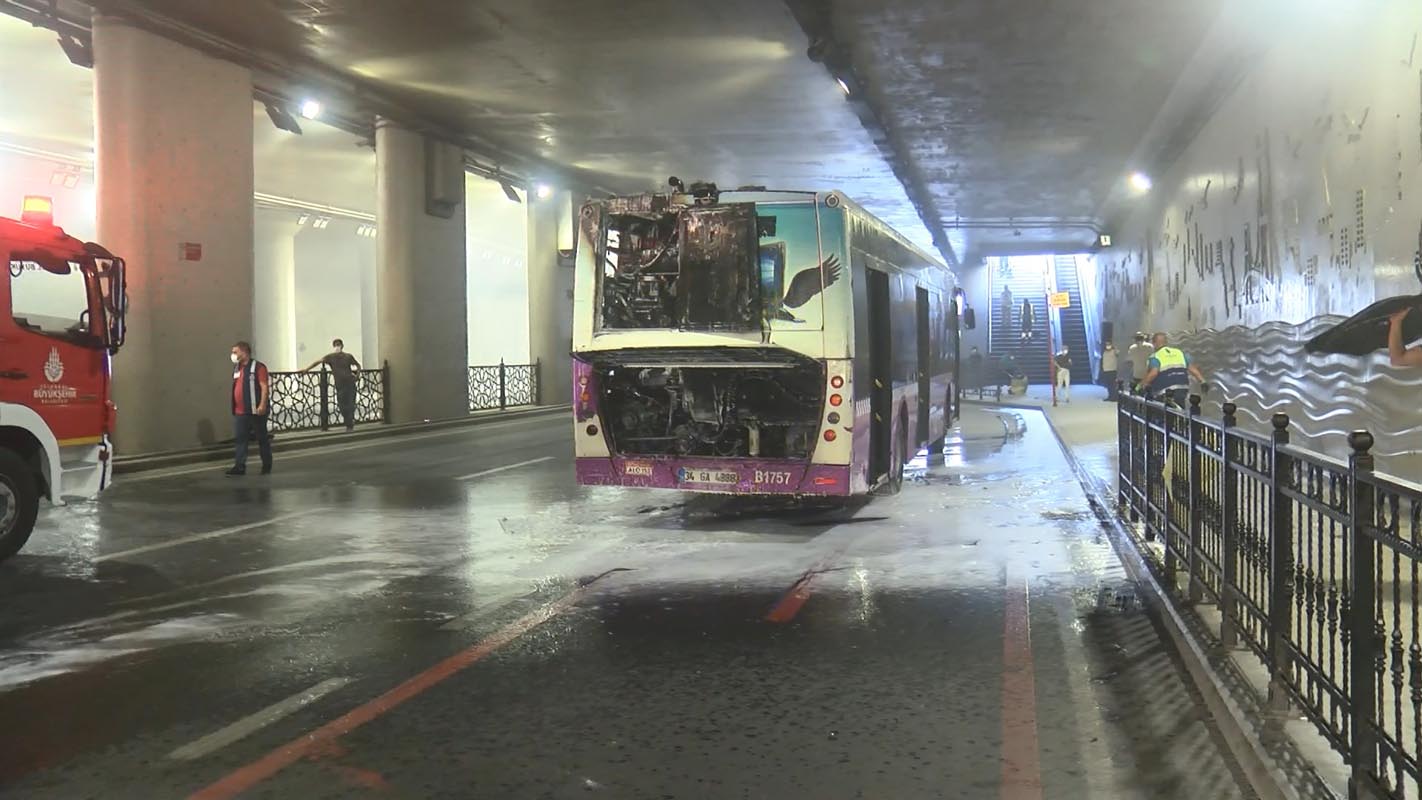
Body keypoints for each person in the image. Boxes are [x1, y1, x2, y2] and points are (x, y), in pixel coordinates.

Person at [229, 340, 272, 476]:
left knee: (261, 438)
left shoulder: (258, 367)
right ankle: (239, 466)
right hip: (240, 412)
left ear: (244, 352)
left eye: (235, 352)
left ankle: (266, 464)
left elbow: (264, 387)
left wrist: (262, 405)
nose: (233, 355)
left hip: (255, 411)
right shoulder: (237, 368)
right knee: (241, 439)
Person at [303, 338, 362, 431]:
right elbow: (318, 362)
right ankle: (349, 422)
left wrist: (357, 375)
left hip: (350, 383)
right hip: (340, 385)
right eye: (336, 345)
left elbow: (358, 365)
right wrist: (306, 369)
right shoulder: (331, 357)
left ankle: (349, 424)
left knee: (351, 404)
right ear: (333, 346)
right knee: (342, 405)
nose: (337, 347)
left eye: (338, 345)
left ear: (342, 346)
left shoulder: (348, 356)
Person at [1139, 332, 1206, 407]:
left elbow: (1153, 373)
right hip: (1182, 388)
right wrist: (1202, 381)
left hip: (1164, 390)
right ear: (1166, 342)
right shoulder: (1179, 353)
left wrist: (1140, 386)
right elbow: (1192, 368)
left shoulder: (1155, 356)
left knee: (1163, 412)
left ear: (1154, 343)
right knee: (1179, 409)